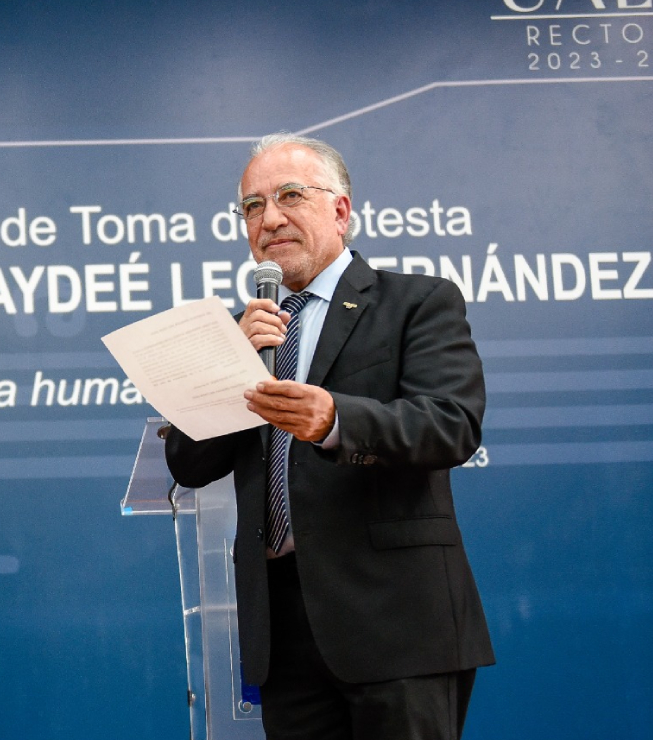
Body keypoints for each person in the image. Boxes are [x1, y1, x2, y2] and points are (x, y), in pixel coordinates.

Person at [164, 135, 493, 740]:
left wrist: (336, 420)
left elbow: (451, 424)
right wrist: (224, 363)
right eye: (252, 206)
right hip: (283, 632)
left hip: (397, 624)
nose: (271, 218)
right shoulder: (244, 330)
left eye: (290, 196)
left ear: (340, 210)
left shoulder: (416, 302)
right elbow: (188, 462)